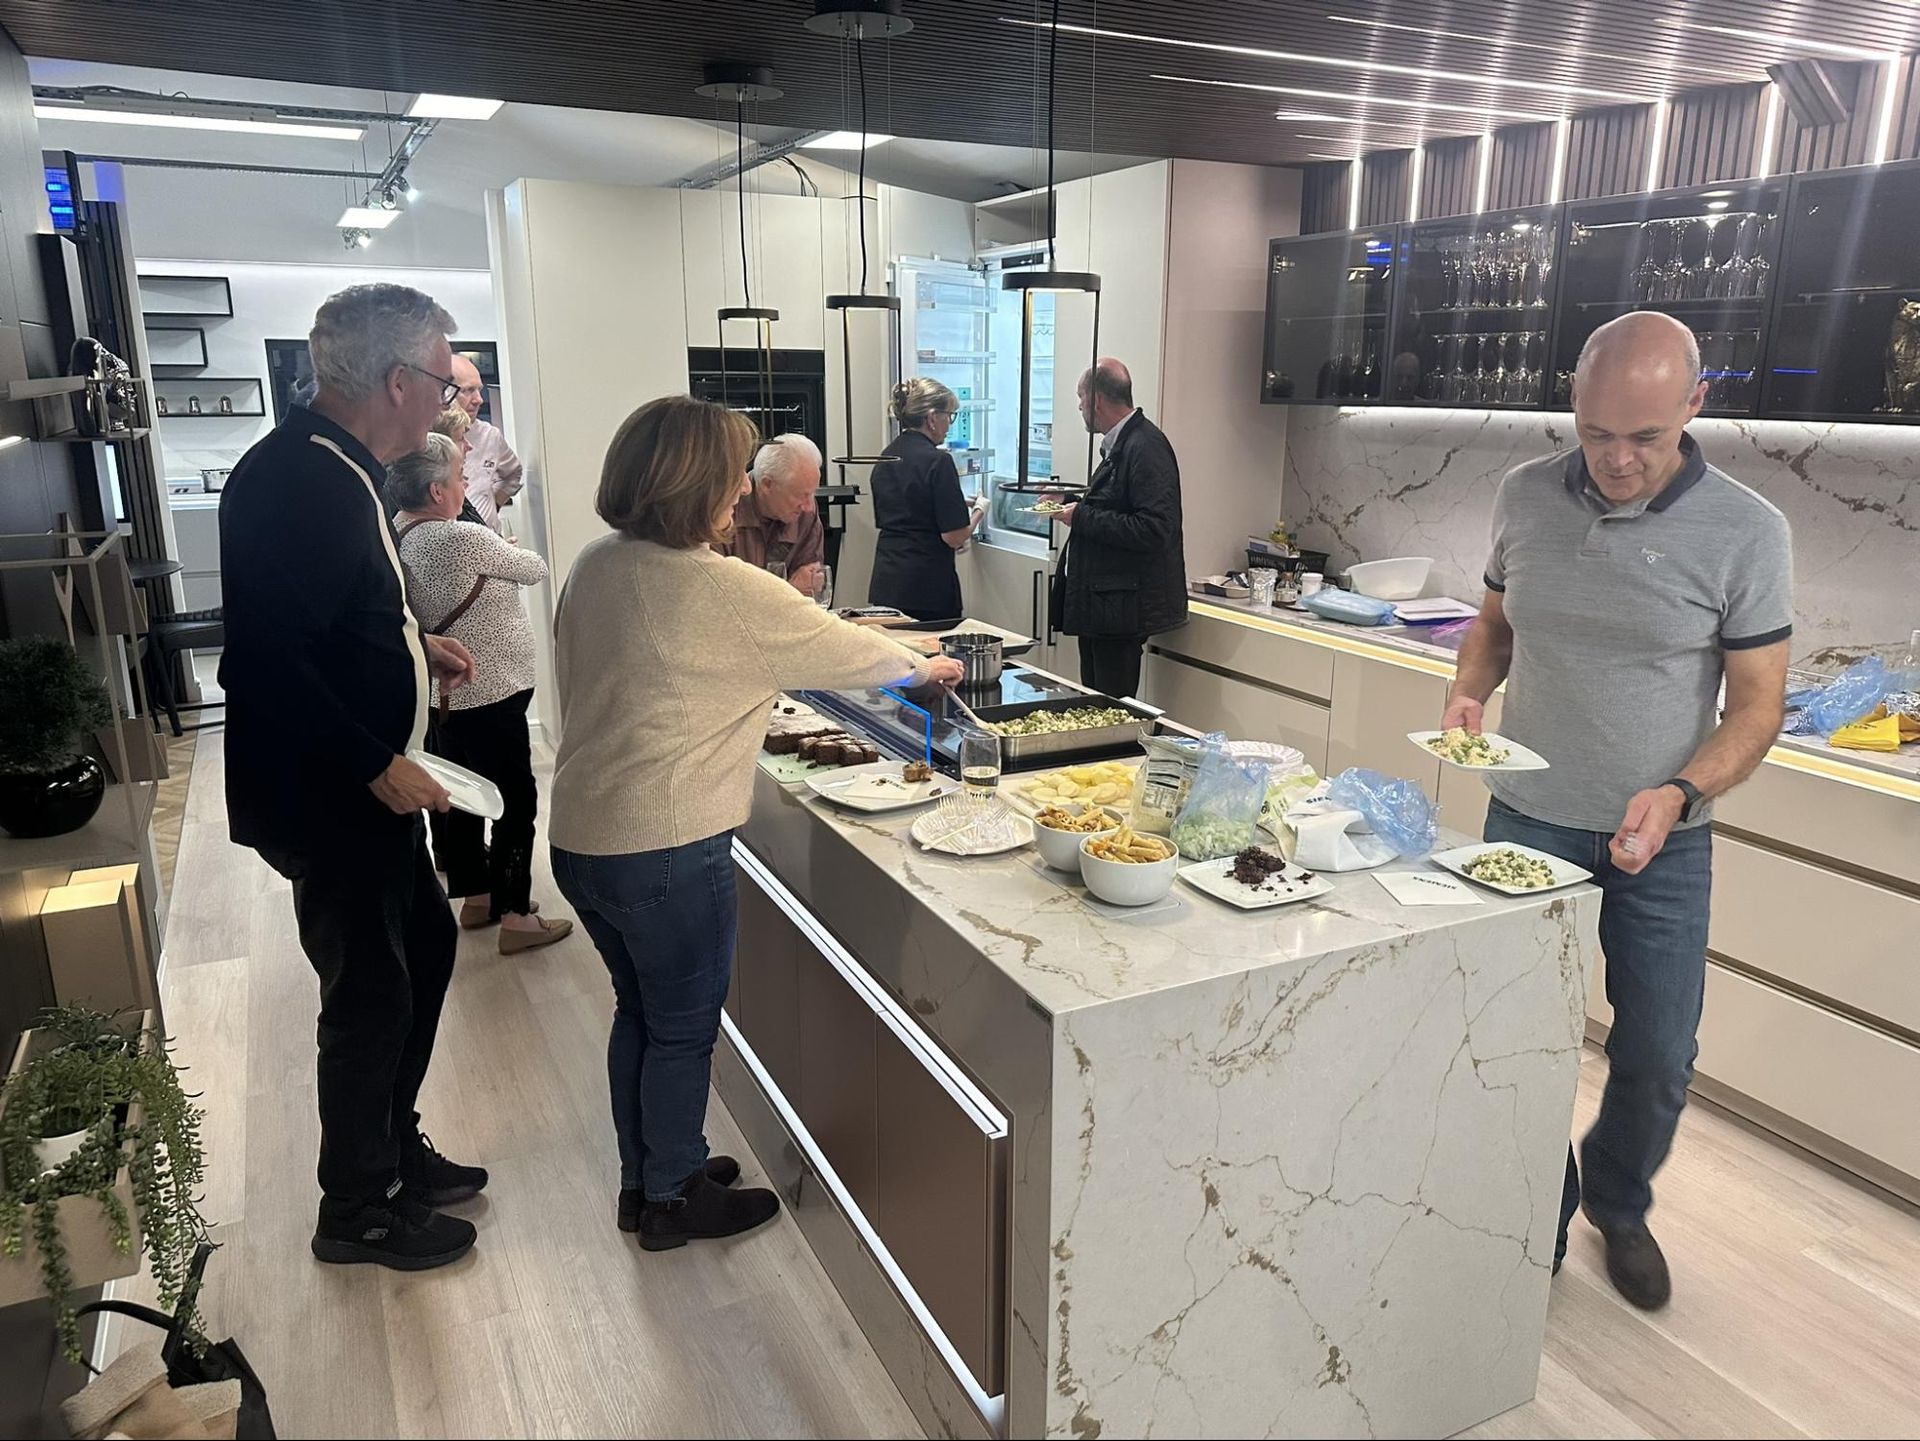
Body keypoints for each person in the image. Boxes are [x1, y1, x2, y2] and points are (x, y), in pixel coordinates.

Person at [548, 394, 965, 1251]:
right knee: (683, 1027)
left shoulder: (596, 563)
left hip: (584, 837)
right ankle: (671, 1198)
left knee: (641, 1012)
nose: (742, 487)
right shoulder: (717, 584)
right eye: (733, 471)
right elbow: (849, 653)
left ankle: (652, 1174)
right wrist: (931, 662)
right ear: (695, 482)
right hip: (663, 842)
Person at [1442, 311, 1792, 1311]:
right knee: (1518, 1032)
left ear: (1695, 403)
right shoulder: (1523, 497)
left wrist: (1682, 789)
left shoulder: (1747, 531)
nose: (1617, 460)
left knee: (1657, 1049)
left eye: (1643, 436)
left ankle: (1621, 1200)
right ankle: (1535, 1209)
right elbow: (1494, 628)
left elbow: (1759, 708)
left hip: (1663, 837)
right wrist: (1470, 688)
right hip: (1531, 813)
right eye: (1597, 433)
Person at [219, 283, 488, 1271]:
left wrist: (414, 646)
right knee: (371, 990)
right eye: (446, 377)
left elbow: (322, 622)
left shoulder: (337, 469)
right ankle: (356, 1207)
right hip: (333, 795)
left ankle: (392, 1149)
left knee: (422, 946)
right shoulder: (300, 480)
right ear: (396, 379)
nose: (453, 398)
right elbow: (261, 662)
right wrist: (374, 758)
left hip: (358, 785)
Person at [388, 434, 571, 955]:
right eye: (458, 478)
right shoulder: (458, 536)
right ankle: (516, 916)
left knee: (464, 798)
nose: (464, 485)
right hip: (489, 687)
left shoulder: (399, 531)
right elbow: (534, 568)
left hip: (446, 697)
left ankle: (477, 899)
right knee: (516, 801)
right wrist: (501, 550)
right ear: (436, 489)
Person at [1054, 358, 1187, 699]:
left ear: (1097, 400)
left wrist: (1080, 516)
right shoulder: (1124, 443)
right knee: (1096, 706)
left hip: (1122, 610)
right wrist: (1069, 501)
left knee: (1112, 713)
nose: (1080, 406)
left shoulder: (1146, 446)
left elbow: (1154, 528)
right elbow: (1116, 506)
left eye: (1081, 398)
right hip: (1105, 607)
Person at [867, 377, 985, 620]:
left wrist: (956, 503)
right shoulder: (938, 461)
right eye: (949, 416)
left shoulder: (886, 456)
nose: (950, 425)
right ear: (932, 418)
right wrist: (979, 512)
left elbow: (908, 505)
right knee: (931, 656)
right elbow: (954, 537)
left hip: (887, 582)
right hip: (927, 587)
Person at [717, 432, 827, 597]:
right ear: (767, 484)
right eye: (801, 495)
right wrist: (788, 591)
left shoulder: (804, 513)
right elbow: (719, 596)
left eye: (813, 494)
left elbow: (810, 586)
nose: (809, 507)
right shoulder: (722, 511)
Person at [450, 353, 523, 534]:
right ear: (444, 391)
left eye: (479, 389)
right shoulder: (424, 438)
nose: (479, 399)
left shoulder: (489, 436)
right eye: (467, 390)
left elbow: (513, 474)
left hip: (490, 541)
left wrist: (493, 505)